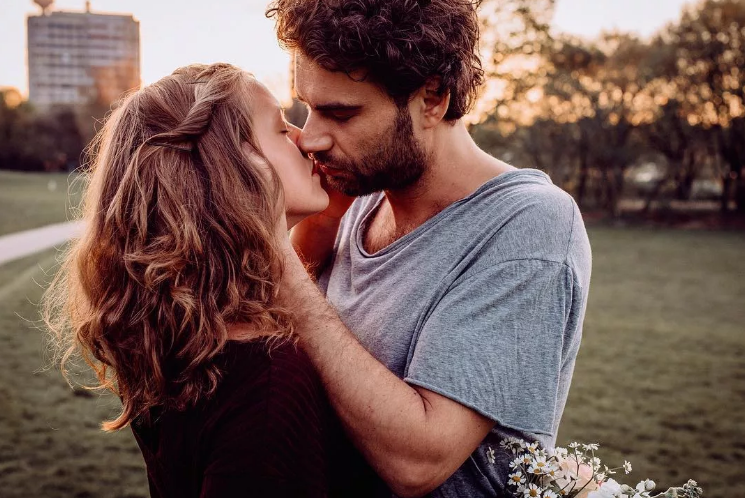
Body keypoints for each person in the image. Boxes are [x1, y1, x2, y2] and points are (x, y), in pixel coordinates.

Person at [267, 1, 592, 496]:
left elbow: (419, 462)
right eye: (308, 108)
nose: (311, 138)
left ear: (433, 98)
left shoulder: (528, 222)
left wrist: (278, 260)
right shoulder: (358, 192)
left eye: (341, 113)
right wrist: (320, 222)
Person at [43, 63, 380, 497]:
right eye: (281, 129)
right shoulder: (268, 382)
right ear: (232, 170)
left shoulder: (183, 342)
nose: (306, 139)